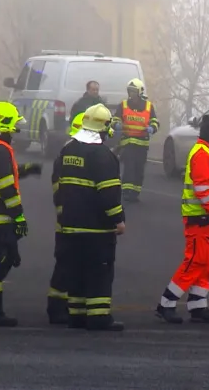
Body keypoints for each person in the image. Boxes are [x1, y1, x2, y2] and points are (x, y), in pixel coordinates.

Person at [53, 103, 126, 331]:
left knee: (76, 271)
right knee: (99, 272)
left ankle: (76, 315)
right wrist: (118, 219)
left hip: (69, 226)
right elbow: (109, 193)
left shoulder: (68, 150)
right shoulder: (103, 155)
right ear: (104, 128)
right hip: (96, 230)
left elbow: (59, 185)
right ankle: (98, 317)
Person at [0, 102, 43, 327]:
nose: (14, 132)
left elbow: (1, 175)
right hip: (0, 219)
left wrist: (25, 170)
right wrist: (19, 217)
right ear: (4, 125)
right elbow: (6, 188)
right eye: (13, 126)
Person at [156, 114, 209, 324]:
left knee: (206, 262)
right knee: (195, 261)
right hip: (201, 219)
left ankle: (198, 305)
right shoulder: (203, 154)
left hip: (207, 219)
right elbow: (202, 189)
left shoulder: (204, 152)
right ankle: (167, 303)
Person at [45, 111, 86, 324]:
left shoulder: (66, 152)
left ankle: (65, 307)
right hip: (71, 220)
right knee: (66, 264)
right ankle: (57, 308)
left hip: (66, 218)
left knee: (69, 263)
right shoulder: (71, 154)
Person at [117, 78, 159, 203]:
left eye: (134, 91)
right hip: (128, 142)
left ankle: (135, 192)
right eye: (130, 91)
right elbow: (116, 118)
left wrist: (152, 128)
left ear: (140, 92)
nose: (131, 93)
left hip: (142, 143)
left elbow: (155, 121)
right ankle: (126, 191)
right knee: (129, 167)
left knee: (139, 169)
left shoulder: (149, 106)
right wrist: (116, 124)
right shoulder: (123, 105)